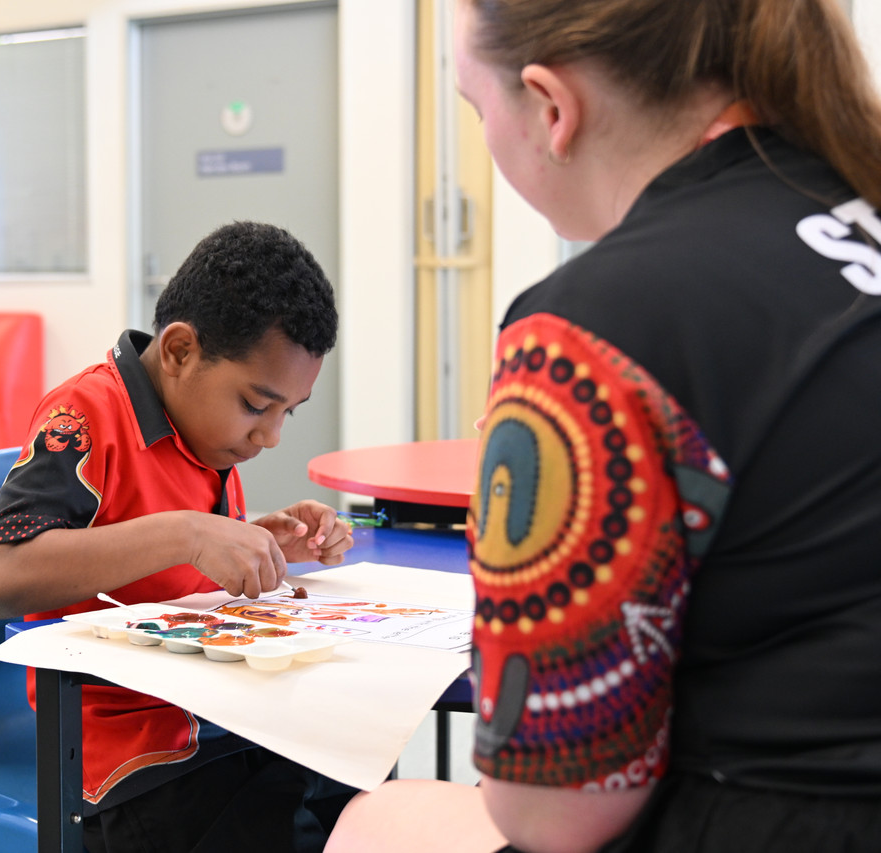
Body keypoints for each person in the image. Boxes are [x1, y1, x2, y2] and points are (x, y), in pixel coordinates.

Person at [326, 0, 881, 851]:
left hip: (789, 816)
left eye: (476, 109)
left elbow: (549, 807)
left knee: (377, 821)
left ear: (552, 108)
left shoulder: (591, 328)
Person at [0, 220, 357, 853]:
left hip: (222, 717)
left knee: (357, 794)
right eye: (258, 405)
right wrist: (185, 534)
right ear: (179, 351)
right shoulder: (85, 416)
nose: (272, 436)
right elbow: (1, 578)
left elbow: (161, 570)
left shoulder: (204, 431)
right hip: (127, 755)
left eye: (288, 411)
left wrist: (253, 541)